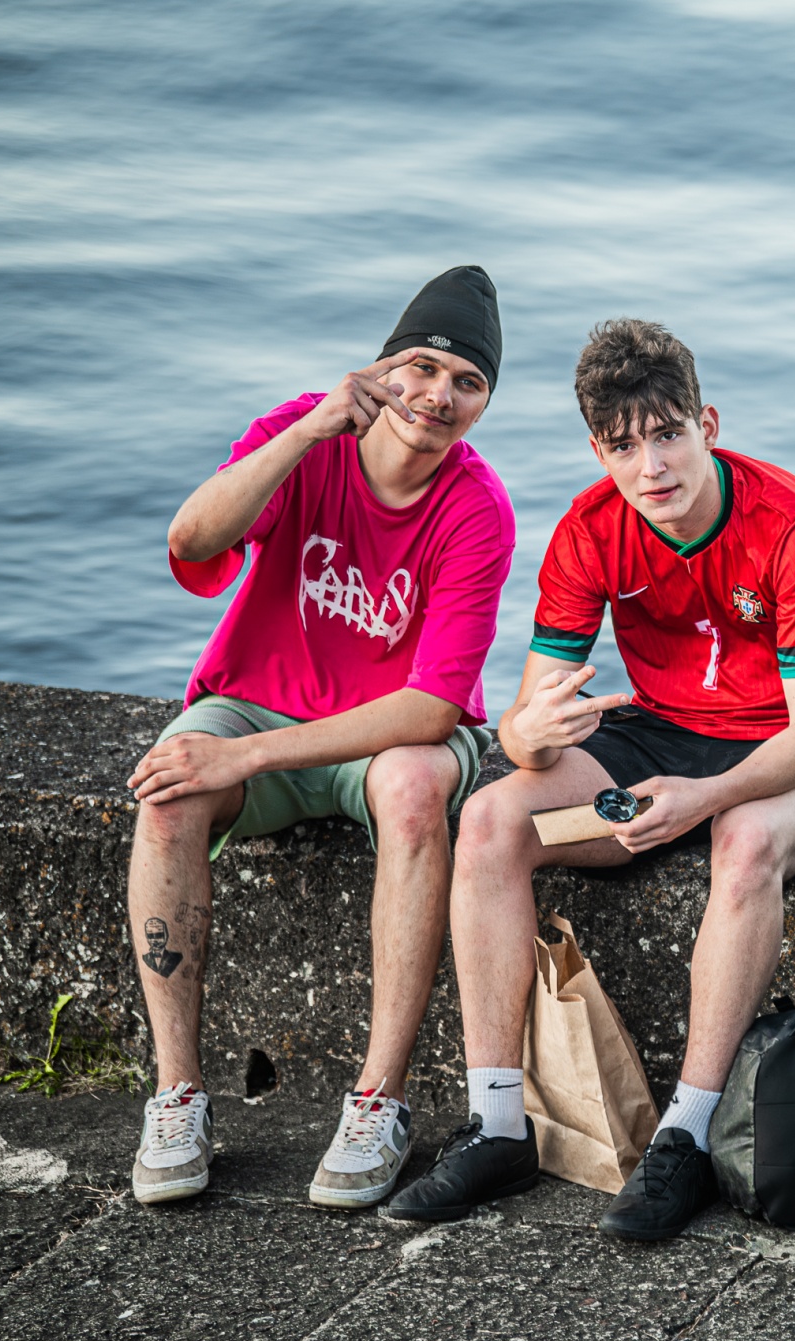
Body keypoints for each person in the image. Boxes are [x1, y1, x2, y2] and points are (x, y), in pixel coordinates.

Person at [386, 318, 795, 1239]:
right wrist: (528, 734)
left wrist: (704, 799)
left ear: (707, 425)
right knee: (489, 820)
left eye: (667, 435)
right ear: (597, 451)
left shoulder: (794, 524)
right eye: (623, 446)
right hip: (663, 728)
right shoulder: (589, 529)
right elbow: (524, 727)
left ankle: (684, 1137)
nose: (651, 467)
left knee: (745, 840)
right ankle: (498, 1125)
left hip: (791, 740)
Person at [126, 266, 515, 1209]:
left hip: (386, 737)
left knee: (416, 791)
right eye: (422, 368)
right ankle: (177, 1096)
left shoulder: (477, 509)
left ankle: (379, 1101)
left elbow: (431, 709)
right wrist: (305, 433)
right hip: (257, 699)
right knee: (170, 792)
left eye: (468, 383)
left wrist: (249, 757)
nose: (439, 397)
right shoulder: (303, 432)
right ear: (380, 371)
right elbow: (192, 540)